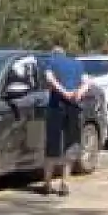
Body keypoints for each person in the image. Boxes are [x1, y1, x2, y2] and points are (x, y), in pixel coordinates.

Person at [41, 45, 89, 196]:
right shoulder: (77, 63)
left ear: (54, 54)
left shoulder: (51, 61)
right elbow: (87, 82)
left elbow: (49, 78)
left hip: (56, 107)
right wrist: (78, 94)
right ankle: (65, 183)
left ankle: (48, 183)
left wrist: (64, 92)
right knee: (71, 143)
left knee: (52, 144)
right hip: (74, 107)